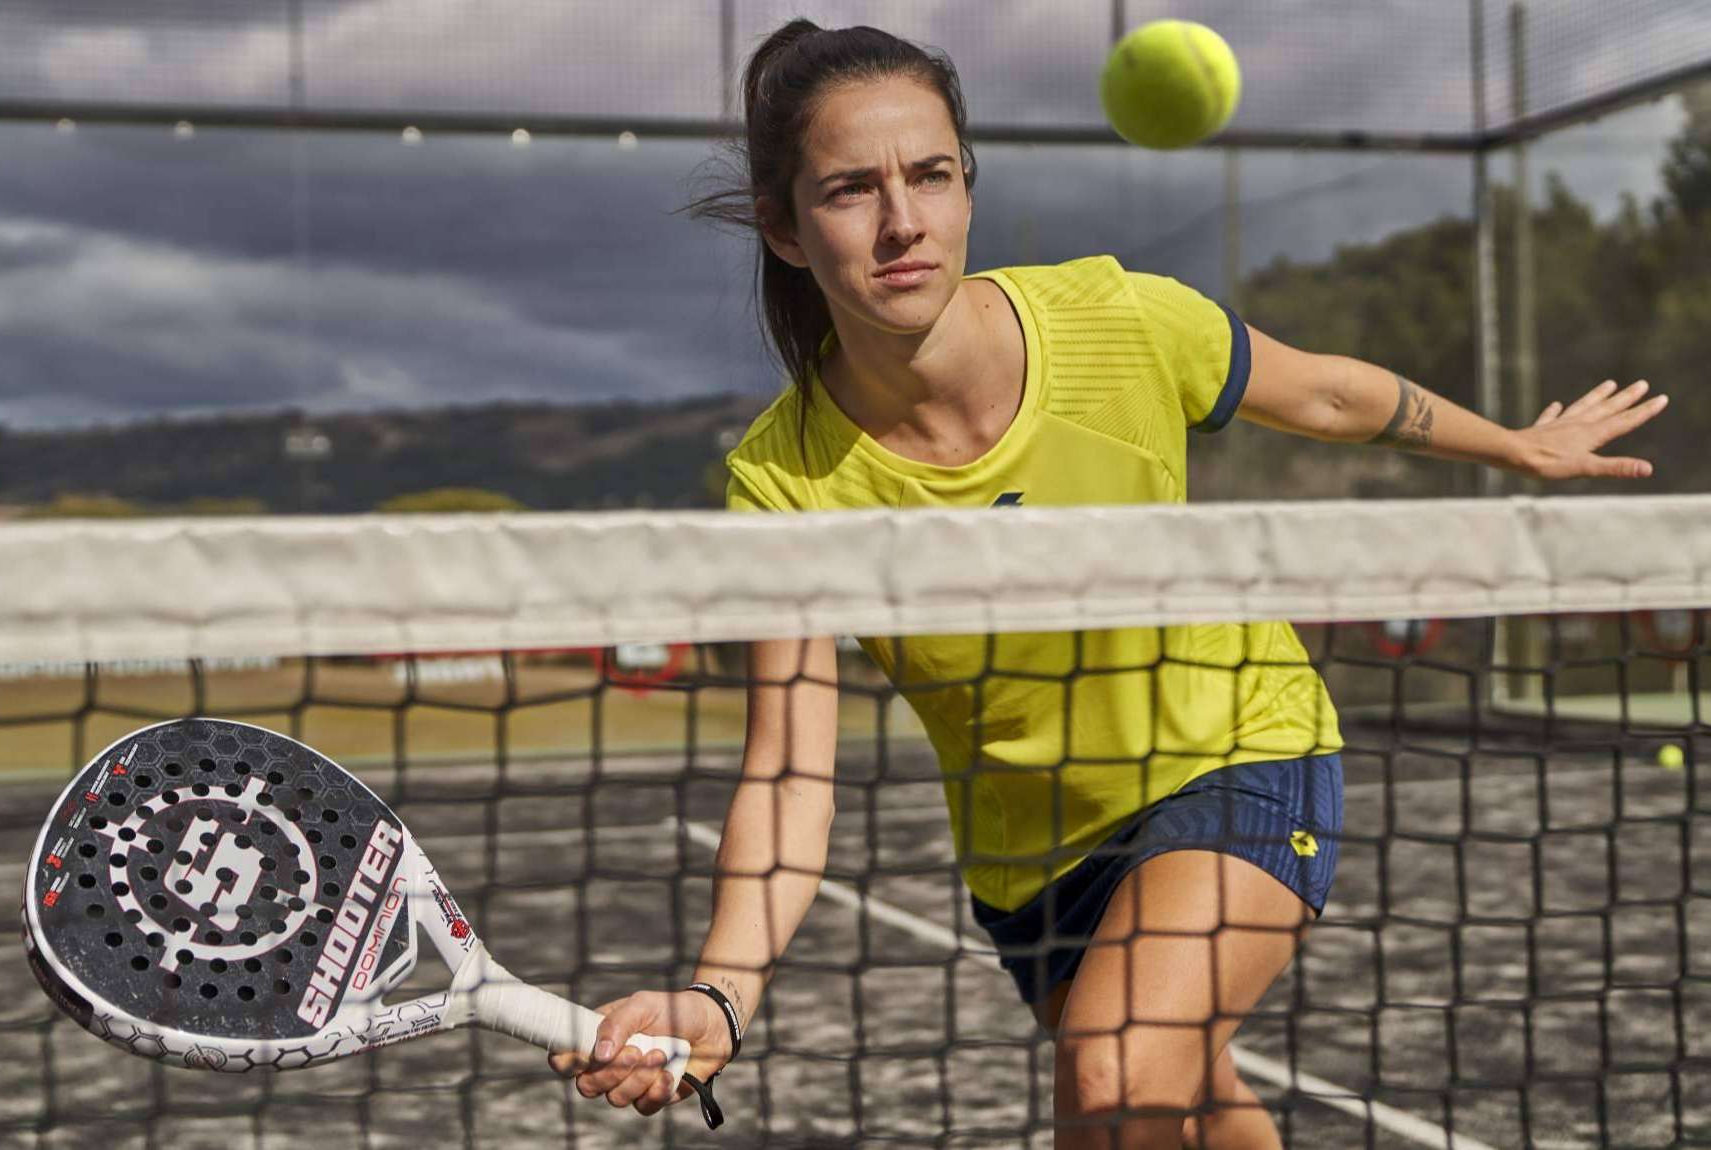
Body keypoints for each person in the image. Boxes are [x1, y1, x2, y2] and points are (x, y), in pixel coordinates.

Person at [548, 19, 1669, 1149]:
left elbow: (1327, 394)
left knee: (1115, 1065)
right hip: (1036, 868)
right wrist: (720, 992)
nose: (903, 221)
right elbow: (791, 772)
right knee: (1189, 1096)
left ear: (967, 189)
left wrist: (1517, 447)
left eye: (931, 175)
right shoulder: (783, 480)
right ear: (787, 230)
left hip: (1238, 750)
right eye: (852, 190)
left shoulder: (1120, 320)